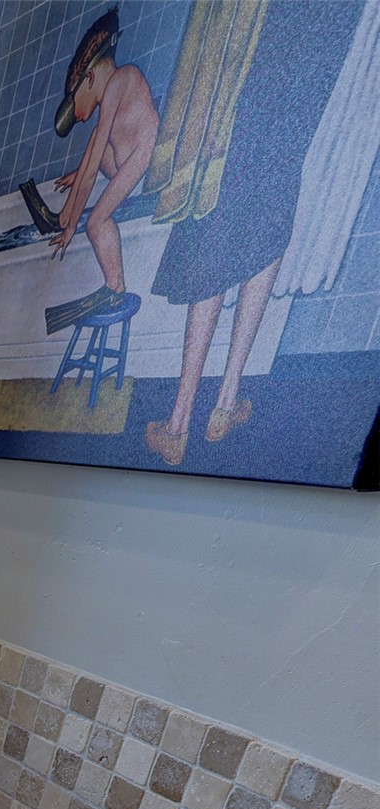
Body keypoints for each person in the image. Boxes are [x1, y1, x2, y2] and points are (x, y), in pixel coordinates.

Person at [143, 0, 362, 465]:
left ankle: (179, 421)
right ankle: (225, 402)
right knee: (270, 217)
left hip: (256, 68)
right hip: (312, 57)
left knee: (219, 213)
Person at [44, 11, 159, 329]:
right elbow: (92, 156)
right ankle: (63, 215)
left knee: (96, 222)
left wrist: (72, 230)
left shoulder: (121, 80)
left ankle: (115, 286)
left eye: (73, 98)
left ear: (89, 78)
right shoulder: (112, 91)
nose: (76, 114)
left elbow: (94, 167)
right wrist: (74, 186)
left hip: (142, 156)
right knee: (94, 146)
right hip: (128, 155)